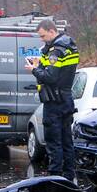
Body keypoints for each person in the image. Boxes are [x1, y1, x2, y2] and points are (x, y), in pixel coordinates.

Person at [25, 19, 79, 182]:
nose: (41, 39)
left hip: (54, 103)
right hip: (66, 100)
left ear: (51, 31)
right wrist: (40, 64)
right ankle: (69, 178)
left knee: (54, 143)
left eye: (42, 36)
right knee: (66, 142)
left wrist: (34, 69)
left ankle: (54, 180)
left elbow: (51, 77)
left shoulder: (56, 51)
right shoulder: (69, 47)